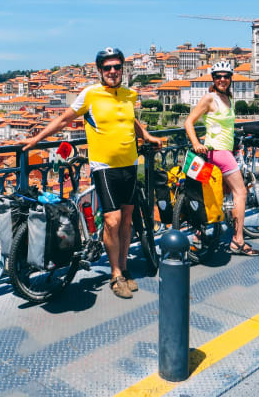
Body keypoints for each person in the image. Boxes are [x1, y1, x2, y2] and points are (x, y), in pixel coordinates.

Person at [20, 47, 163, 299]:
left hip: (130, 163)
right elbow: (64, 119)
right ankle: (115, 273)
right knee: (112, 221)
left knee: (128, 220)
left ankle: (126, 270)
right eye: (107, 68)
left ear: (122, 69)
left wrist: (147, 136)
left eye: (116, 67)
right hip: (104, 167)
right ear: (99, 71)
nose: (112, 71)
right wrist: (37, 139)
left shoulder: (129, 94)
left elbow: (131, 121)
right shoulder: (90, 94)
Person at [183, 60, 259, 256]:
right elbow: (188, 122)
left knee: (215, 194)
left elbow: (225, 127)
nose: (222, 79)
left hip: (223, 151)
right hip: (217, 152)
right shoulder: (210, 98)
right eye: (218, 76)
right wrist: (195, 143)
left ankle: (200, 235)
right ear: (213, 79)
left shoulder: (228, 98)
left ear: (230, 79)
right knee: (241, 193)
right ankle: (237, 240)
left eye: (226, 76)